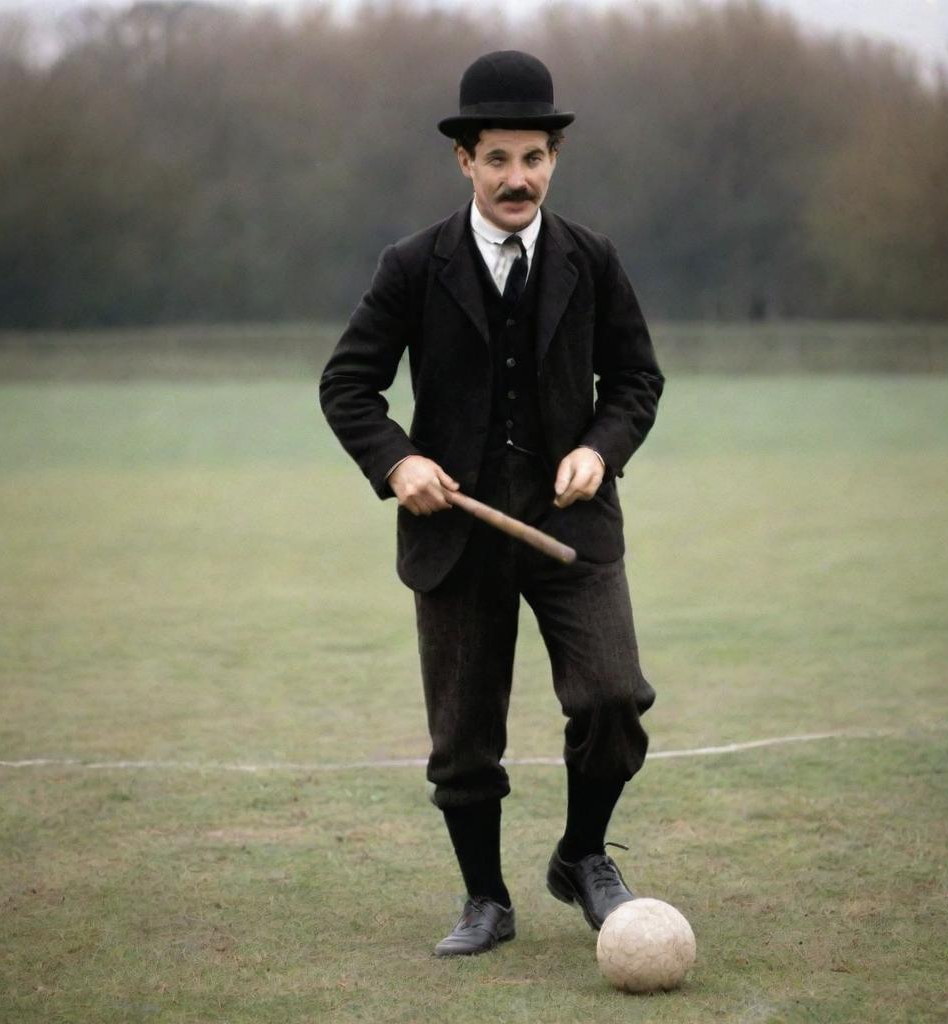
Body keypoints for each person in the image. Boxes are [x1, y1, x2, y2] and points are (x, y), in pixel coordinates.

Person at [319, 50, 663, 957]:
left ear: (554, 159)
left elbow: (635, 379)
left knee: (614, 697)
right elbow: (348, 386)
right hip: (455, 534)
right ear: (464, 161)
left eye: (535, 158)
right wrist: (398, 466)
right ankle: (485, 901)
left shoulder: (593, 260)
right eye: (499, 159)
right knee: (465, 737)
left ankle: (582, 856)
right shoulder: (411, 265)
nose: (519, 178)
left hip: (571, 529)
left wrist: (599, 446)